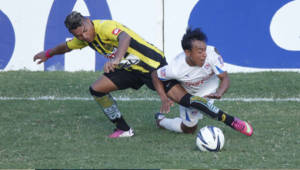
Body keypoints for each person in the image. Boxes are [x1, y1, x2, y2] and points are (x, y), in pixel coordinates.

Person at [33, 11, 183, 138]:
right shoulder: (84, 39)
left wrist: (116, 59)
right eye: (79, 36)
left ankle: (197, 107)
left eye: (85, 31)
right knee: (97, 89)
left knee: (181, 97)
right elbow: (67, 46)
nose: (84, 37)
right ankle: (123, 129)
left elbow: (125, 37)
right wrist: (48, 53)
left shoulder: (105, 27)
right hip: (129, 69)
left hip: (151, 65)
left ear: (87, 21)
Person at [151, 28, 253, 136]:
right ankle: (162, 122)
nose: (204, 54)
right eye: (200, 51)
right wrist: (163, 97)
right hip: (190, 96)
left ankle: (232, 121)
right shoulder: (176, 68)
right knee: (189, 128)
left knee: (193, 121)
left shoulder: (212, 54)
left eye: (204, 50)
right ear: (188, 52)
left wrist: (219, 92)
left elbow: (225, 78)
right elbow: (155, 75)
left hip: (211, 92)